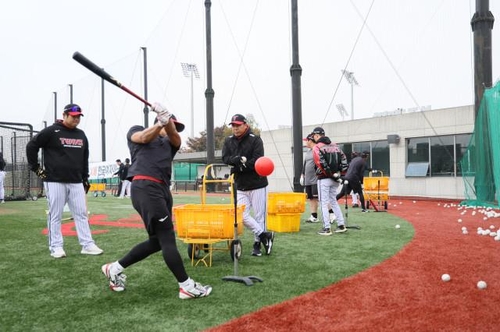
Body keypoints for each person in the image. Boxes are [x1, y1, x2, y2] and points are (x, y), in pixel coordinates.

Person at [101, 103, 212, 299]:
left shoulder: (171, 143)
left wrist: (167, 121)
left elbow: (176, 138)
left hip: (161, 189)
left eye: (174, 127)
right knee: (167, 237)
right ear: (157, 122)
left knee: (157, 241)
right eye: (171, 125)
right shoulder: (138, 132)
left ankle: (114, 268)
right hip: (146, 186)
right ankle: (186, 285)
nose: (173, 130)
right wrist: (161, 122)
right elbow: (143, 137)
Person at [26, 103, 103, 258]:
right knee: (56, 214)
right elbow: (31, 146)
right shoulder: (51, 131)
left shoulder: (81, 134)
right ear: (65, 115)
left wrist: (85, 177)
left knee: (81, 214)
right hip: (54, 180)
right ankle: (56, 247)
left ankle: (87, 244)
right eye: (73, 116)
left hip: (76, 181)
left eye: (78, 117)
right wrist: (36, 168)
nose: (76, 119)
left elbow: (84, 158)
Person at [222, 113, 274, 257]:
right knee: (241, 216)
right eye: (233, 125)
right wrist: (238, 160)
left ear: (245, 125)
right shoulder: (228, 140)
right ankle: (264, 236)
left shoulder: (255, 139)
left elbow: (258, 161)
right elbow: (225, 158)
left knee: (259, 216)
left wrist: (239, 165)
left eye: (238, 125)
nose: (235, 128)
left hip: (258, 183)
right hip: (240, 184)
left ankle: (257, 244)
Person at [311, 126, 348, 235]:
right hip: (335, 179)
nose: (314, 138)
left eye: (314, 136)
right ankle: (341, 225)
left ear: (317, 135)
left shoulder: (317, 147)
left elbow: (320, 162)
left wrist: (330, 174)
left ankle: (326, 228)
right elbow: (344, 160)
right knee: (333, 201)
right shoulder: (336, 146)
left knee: (323, 203)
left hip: (324, 178)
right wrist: (340, 174)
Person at [301, 133, 338, 224]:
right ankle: (314, 216)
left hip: (316, 179)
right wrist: (302, 174)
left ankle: (331, 214)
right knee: (311, 198)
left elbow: (320, 163)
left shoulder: (317, 149)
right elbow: (305, 164)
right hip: (308, 179)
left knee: (321, 198)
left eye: (306, 140)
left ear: (310, 140)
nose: (305, 142)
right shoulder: (308, 151)